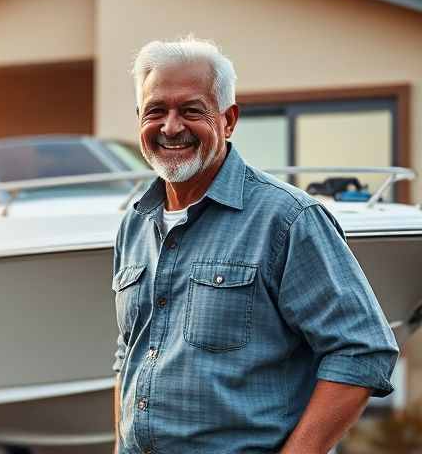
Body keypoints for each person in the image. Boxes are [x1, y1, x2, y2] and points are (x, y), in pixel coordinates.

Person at [112, 37, 399, 453]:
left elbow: (362, 350)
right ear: (140, 118)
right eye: (156, 110)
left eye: (191, 110)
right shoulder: (133, 224)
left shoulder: (287, 219)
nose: (171, 127)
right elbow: (129, 351)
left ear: (228, 120)